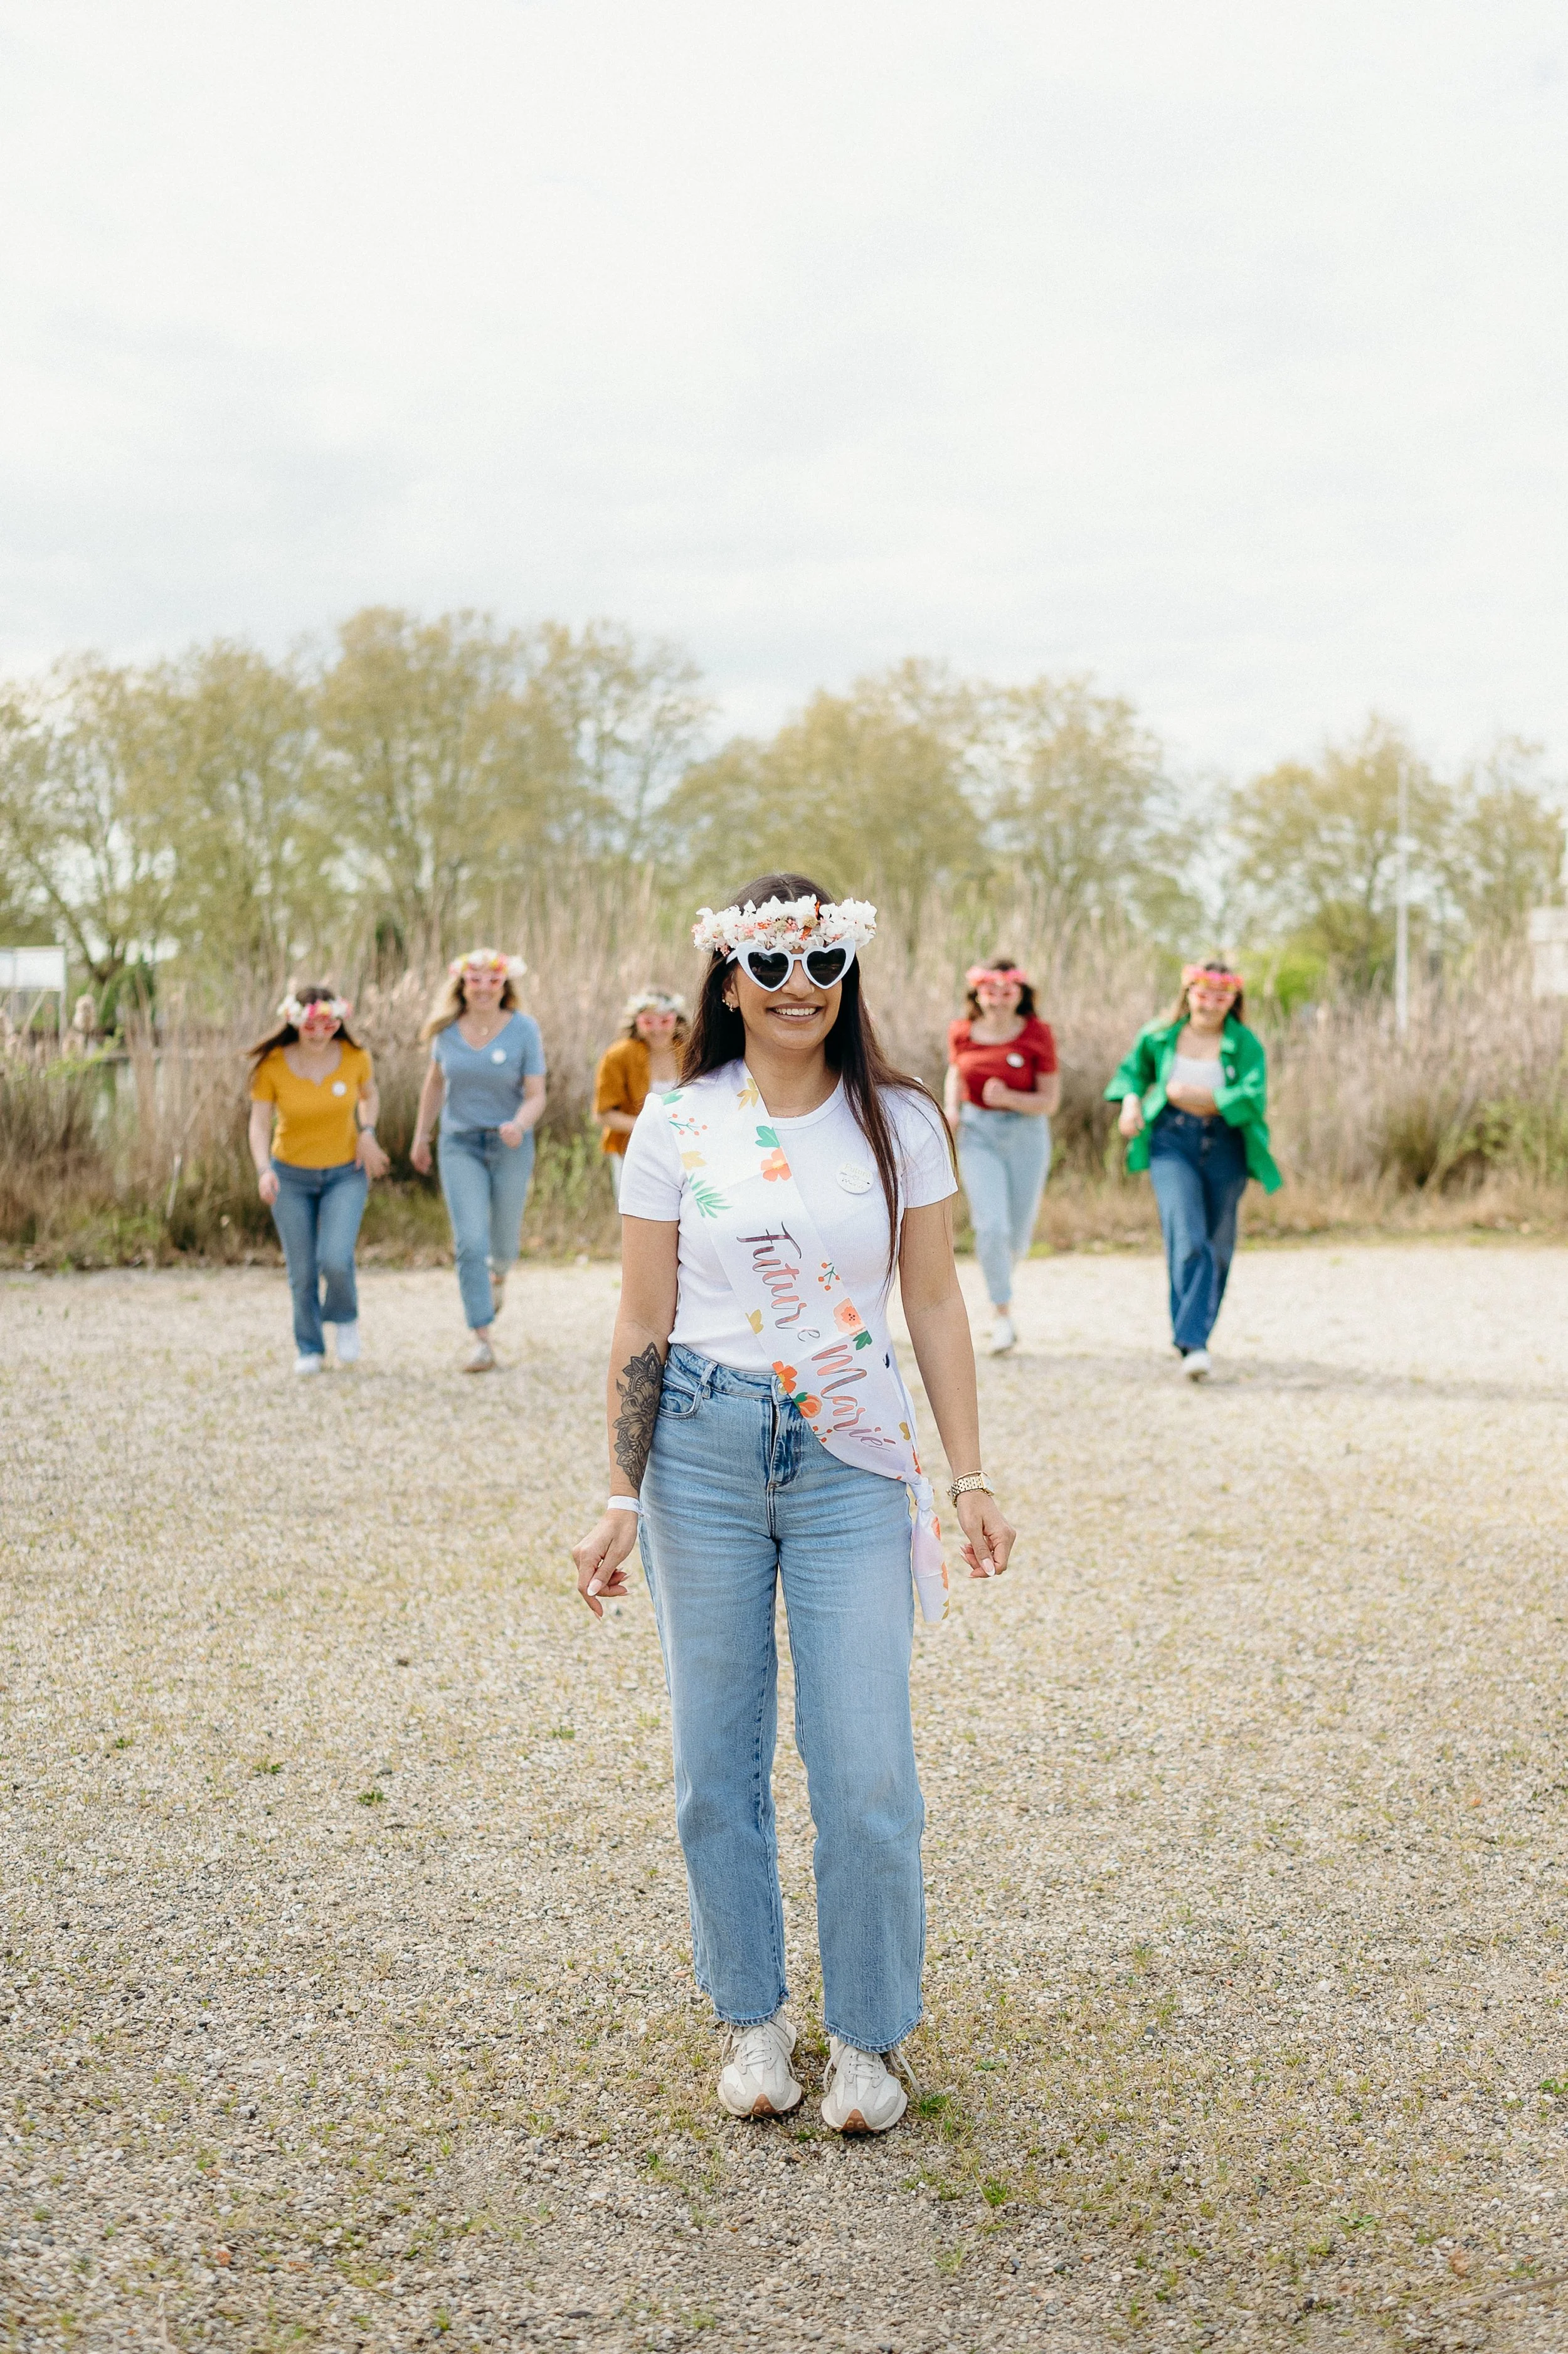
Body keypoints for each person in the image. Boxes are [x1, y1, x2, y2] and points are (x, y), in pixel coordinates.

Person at [571, 875, 1017, 2136]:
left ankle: (869, 2033)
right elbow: (643, 1317)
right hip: (701, 1450)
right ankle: (752, 2016)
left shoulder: (901, 1119)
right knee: (714, 1761)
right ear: (728, 979)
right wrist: (618, 1489)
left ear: (847, 970)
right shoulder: (678, 1121)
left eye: (822, 961)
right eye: (769, 965)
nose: (797, 986)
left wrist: (969, 1473)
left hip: (850, 1455)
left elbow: (933, 1299)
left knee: (866, 1764)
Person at [1104, 959, 1281, 1380]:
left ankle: (1193, 1333)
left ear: (1234, 1000)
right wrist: (1131, 1103)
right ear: (1188, 993)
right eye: (1203, 994)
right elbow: (1131, 1075)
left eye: (1221, 996)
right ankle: (1193, 1343)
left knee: (1218, 1245)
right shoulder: (1159, 1034)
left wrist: (1197, 1094)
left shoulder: (1245, 1042)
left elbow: (1253, 1096)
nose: (1210, 1004)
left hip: (1227, 1145)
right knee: (1187, 1236)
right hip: (1171, 1141)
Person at [410, 950, 546, 1373]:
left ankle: (499, 1274)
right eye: (476, 980)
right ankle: (482, 1338)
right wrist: (421, 1136)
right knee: (470, 1242)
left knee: (503, 1243)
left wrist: (519, 1124)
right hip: (460, 1144)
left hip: (510, 1145)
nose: (484, 987)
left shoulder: (524, 1029)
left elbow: (537, 1094)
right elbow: (435, 1085)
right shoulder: (446, 1031)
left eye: (493, 980)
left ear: (505, 985)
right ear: (463, 985)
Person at [248, 987, 389, 1373]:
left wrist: (368, 1131)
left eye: (328, 1025)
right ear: (295, 1022)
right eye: (310, 1025)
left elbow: (370, 1096)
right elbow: (259, 1125)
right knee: (303, 1270)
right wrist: (263, 1170)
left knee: (335, 1259)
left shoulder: (356, 1058)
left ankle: (345, 1318)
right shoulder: (272, 1066)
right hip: (289, 1177)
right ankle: (310, 1346)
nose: (318, 1033)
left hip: (345, 1173)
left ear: (339, 1022)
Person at [943, 959, 1059, 1356]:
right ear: (977, 994)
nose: (998, 1000)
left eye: (1007, 992)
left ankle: (1001, 1283)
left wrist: (1010, 1098)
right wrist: (952, 1110)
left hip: (1027, 1133)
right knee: (991, 1226)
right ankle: (1002, 1314)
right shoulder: (961, 1031)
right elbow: (955, 1073)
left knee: (1017, 1232)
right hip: (978, 1133)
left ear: (1020, 994)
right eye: (989, 991)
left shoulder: (1037, 1033)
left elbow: (1049, 1101)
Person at [593, 989, 688, 1204]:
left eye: (664, 1021)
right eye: (648, 1022)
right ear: (636, 1022)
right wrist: (650, 1127)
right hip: (633, 1150)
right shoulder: (618, 1056)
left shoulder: (692, 1051)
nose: (657, 1030)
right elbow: (604, 1113)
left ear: (676, 1020)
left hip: (684, 1149)